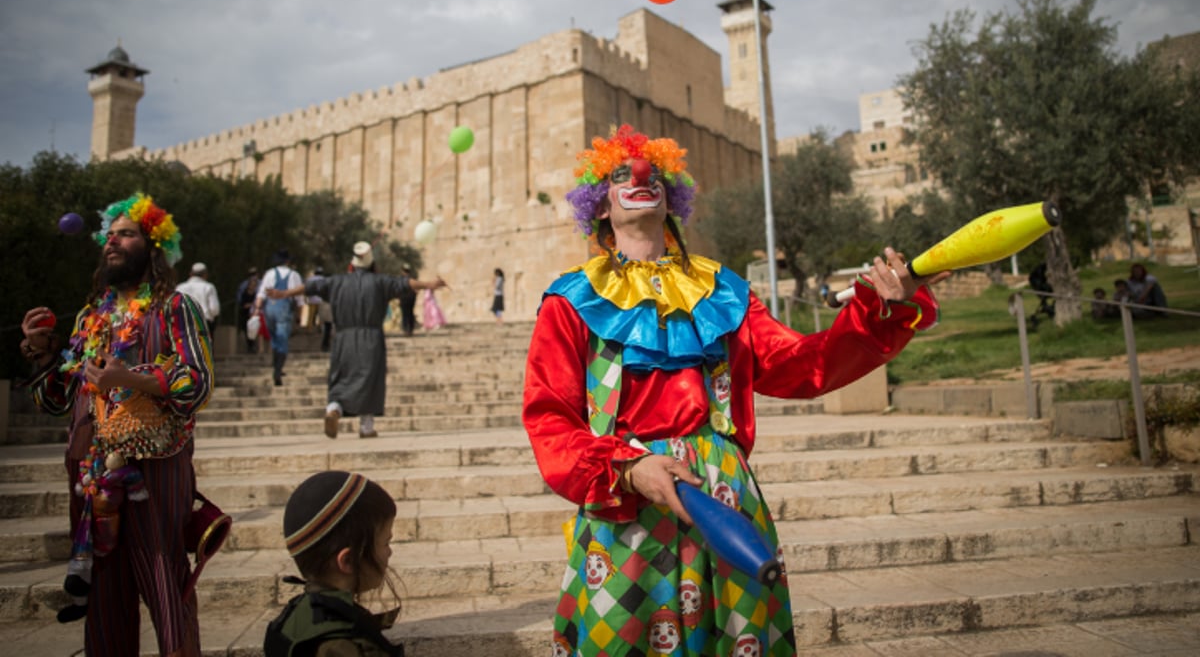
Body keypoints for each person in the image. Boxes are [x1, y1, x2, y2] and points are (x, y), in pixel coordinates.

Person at [522, 126, 942, 656]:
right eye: (620, 174)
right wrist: (628, 468)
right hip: (625, 494)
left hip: (723, 493)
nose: (640, 177)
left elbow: (803, 366)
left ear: (671, 194)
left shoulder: (724, 290)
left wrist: (883, 309)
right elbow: (550, 420)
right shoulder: (571, 300)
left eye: (651, 172)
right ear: (599, 204)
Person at [19, 191, 214, 656]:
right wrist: (43, 354)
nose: (112, 242)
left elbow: (198, 381)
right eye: (109, 235)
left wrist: (131, 378)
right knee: (104, 595)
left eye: (125, 234)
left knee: (165, 582)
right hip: (90, 474)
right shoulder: (91, 317)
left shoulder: (175, 308)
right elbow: (58, 399)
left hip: (154, 469)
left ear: (152, 244)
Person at [269, 241, 446, 439]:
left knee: (341, 376)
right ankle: (366, 426)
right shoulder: (380, 282)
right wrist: (428, 284)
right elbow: (404, 283)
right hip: (371, 338)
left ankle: (334, 407)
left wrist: (284, 293)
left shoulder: (336, 281)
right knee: (370, 380)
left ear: (351, 265)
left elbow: (311, 286)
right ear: (372, 265)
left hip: (343, 337)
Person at [264, 471, 404, 657]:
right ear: (347, 561)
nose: (390, 552)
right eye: (386, 543)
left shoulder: (297, 617)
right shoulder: (347, 646)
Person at [256, 250, 304, 386]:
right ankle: (278, 369)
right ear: (288, 262)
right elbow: (299, 297)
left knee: (274, 338)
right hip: (284, 308)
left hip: (269, 308)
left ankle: (276, 365)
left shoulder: (269, 273)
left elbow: (261, 293)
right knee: (282, 339)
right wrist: (299, 316)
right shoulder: (294, 275)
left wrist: (257, 309)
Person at [176, 261, 221, 334]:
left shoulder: (180, 287)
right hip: (203, 323)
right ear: (205, 274)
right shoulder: (208, 287)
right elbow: (215, 309)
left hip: (183, 323)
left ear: (190, 274)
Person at [236, 267, 260, 353]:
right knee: (247, 330)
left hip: (256, 312)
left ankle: (256, 348)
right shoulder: (244, 287)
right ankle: (250, 347)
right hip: (246, 313)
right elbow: (240, 301)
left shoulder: (260, 285)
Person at [398, 264, 418, 337]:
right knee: (410, 313)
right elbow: (416, 290)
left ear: (403, 271)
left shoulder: (400, 279)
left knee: (405, 314)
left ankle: (406, 329)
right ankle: (410, 329)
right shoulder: (412, 278)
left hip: (404, 298)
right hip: (411, 298)